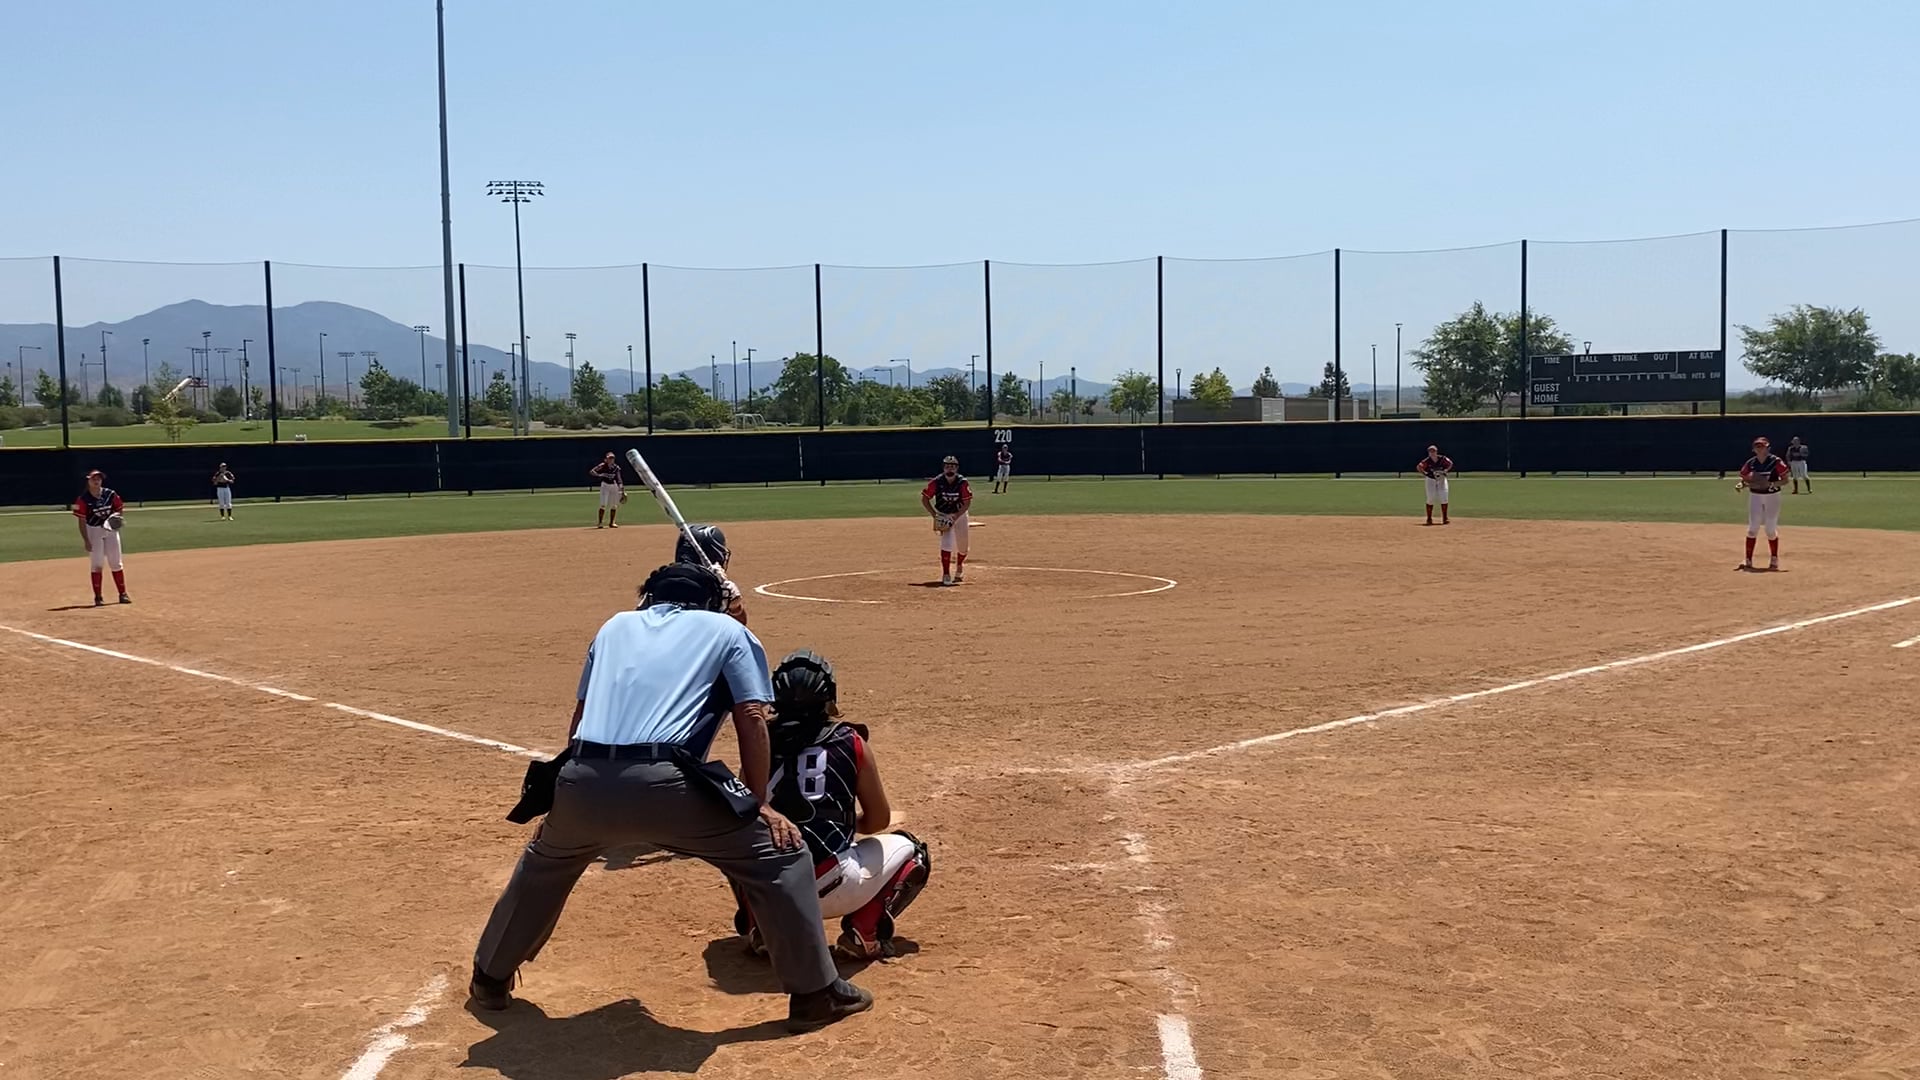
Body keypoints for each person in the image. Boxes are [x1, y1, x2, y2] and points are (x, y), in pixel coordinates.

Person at [468, 562, 872, 1032]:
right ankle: (815, 994)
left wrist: (567, 799)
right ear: (712, 603)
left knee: (544, 863)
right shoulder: (728, 630)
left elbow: (579, 720)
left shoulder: (614, 626)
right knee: (781, 857)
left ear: (648, 598)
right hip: (670, 784)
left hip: (583, 778)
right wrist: (758, 802)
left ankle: (489, 978)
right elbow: (752, 717)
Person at [731, 651, 932, 962]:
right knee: (913, 850)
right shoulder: (851, 741)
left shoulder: (758, 740)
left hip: (771, 887)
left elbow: (743, 810)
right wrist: (841, 823)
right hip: (834, 884)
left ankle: (764, 927)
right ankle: (864, 933)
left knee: (737, 844)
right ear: (828, 698)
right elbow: (878, 820)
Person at [73, 470, 130, 606]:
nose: (96, 481)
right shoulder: (83, 499)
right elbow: (81, 521)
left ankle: (123, 594)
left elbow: (119, 508)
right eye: (93, 479)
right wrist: (86, 540)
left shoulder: (110, 494)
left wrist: (116, 519)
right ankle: (98, 597)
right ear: (88, 481)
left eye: (98, 479)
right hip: (94, 531)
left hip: (110, 531)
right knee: (97, 564)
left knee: (116, 562)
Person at [675, 522, 747, 625]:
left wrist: (735, 607)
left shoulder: (660, 583)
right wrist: (723, 599)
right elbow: (736, 629)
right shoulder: (703, 594)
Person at [1737, 436, 1789, 571]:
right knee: (1752, 529)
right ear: (1754, 449)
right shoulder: (1751, 463)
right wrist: (1742, 484)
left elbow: (1785, 480)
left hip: (1772, 496)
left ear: (1768, 448)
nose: (1760, 449)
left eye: (1762, 446)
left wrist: (1771, 484)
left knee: (1770, 530)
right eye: (1757, 446)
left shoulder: (1775, 461)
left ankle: (1774, 558)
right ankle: (1748, 559)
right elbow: (1745, 477)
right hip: (1755, 496)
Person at [921, 455, 972, 586]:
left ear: (957, 468)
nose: (950, 469)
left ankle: (959, 565)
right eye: (947, 467)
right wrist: (934, 515)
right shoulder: (937, 482)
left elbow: (967, 503)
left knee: (963, 546)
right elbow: (925, 498)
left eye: (953, 467)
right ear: (943, 468)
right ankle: (946, 573)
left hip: (960, 515)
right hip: (943, 514)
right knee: (946, 543)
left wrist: (956, 516)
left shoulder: (962, 482)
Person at [1417, 445, 1453, 526]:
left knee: (1444, 497)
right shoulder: (1427, 461)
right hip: (1431, 480)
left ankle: (1445, 518)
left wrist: (1446, 470)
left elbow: (1450, 463)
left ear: (1436, 452)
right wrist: (1425, 473)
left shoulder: (1442, 459)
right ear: (1428, 453)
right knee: (1430, 498)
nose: (1432, 453)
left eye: (1433, 451)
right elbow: (1419, 467)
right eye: (1430, 451)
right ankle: (1429, 518)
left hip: (1441, 480)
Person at [590, 451, 625, 529]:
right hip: (605, 486)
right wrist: (599, 475)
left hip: (614, 486)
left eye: (612, 458)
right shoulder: (602, 466)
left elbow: (619, 479)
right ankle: (600, 523)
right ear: (606, 459)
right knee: (603, 504)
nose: (611, 460)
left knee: (614, 505)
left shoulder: (616, 467)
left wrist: (622, 489)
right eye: (609, 458)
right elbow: (592, 471)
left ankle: (612, 523)